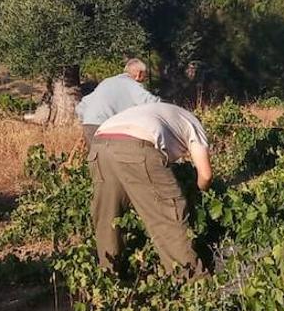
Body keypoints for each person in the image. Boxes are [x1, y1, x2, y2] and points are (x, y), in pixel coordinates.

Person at [90, 102, 211, 278]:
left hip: (99, 144)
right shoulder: (194, 125)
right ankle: (194, 285)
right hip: (137, 146)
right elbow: (206, 176)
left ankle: (110, 281)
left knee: (108, 216)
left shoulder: (161, 112)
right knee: (168, 216)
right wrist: (200, 192)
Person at [75, 58, 160, 146]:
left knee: (96, 158)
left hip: (88, 125)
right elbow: (149, 101)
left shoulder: (107, 82)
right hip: (104, 127)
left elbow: (82, 106)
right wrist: (165, 105)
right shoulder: (131, 84)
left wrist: (86, 118)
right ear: (139, 74)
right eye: (144, 77)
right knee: (114, 157)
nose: (144, 81)